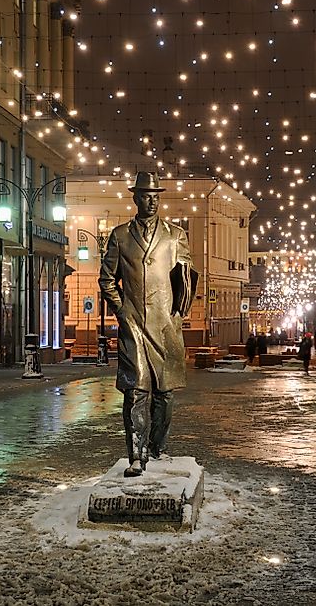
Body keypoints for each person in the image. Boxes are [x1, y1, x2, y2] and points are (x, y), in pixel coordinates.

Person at [99, 172, 195, 478]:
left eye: (155, 196)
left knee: (164, 395)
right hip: (134, 325)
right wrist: (121, 309)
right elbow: (106, 279)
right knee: (136, 389)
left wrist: (179, 311)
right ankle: (136, 456)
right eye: (145, 196)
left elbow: (186, 276)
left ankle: (156, 447)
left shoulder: (175, 235)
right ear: (135, 198)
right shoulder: (120, 235)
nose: (151, 202)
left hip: (166, 325)